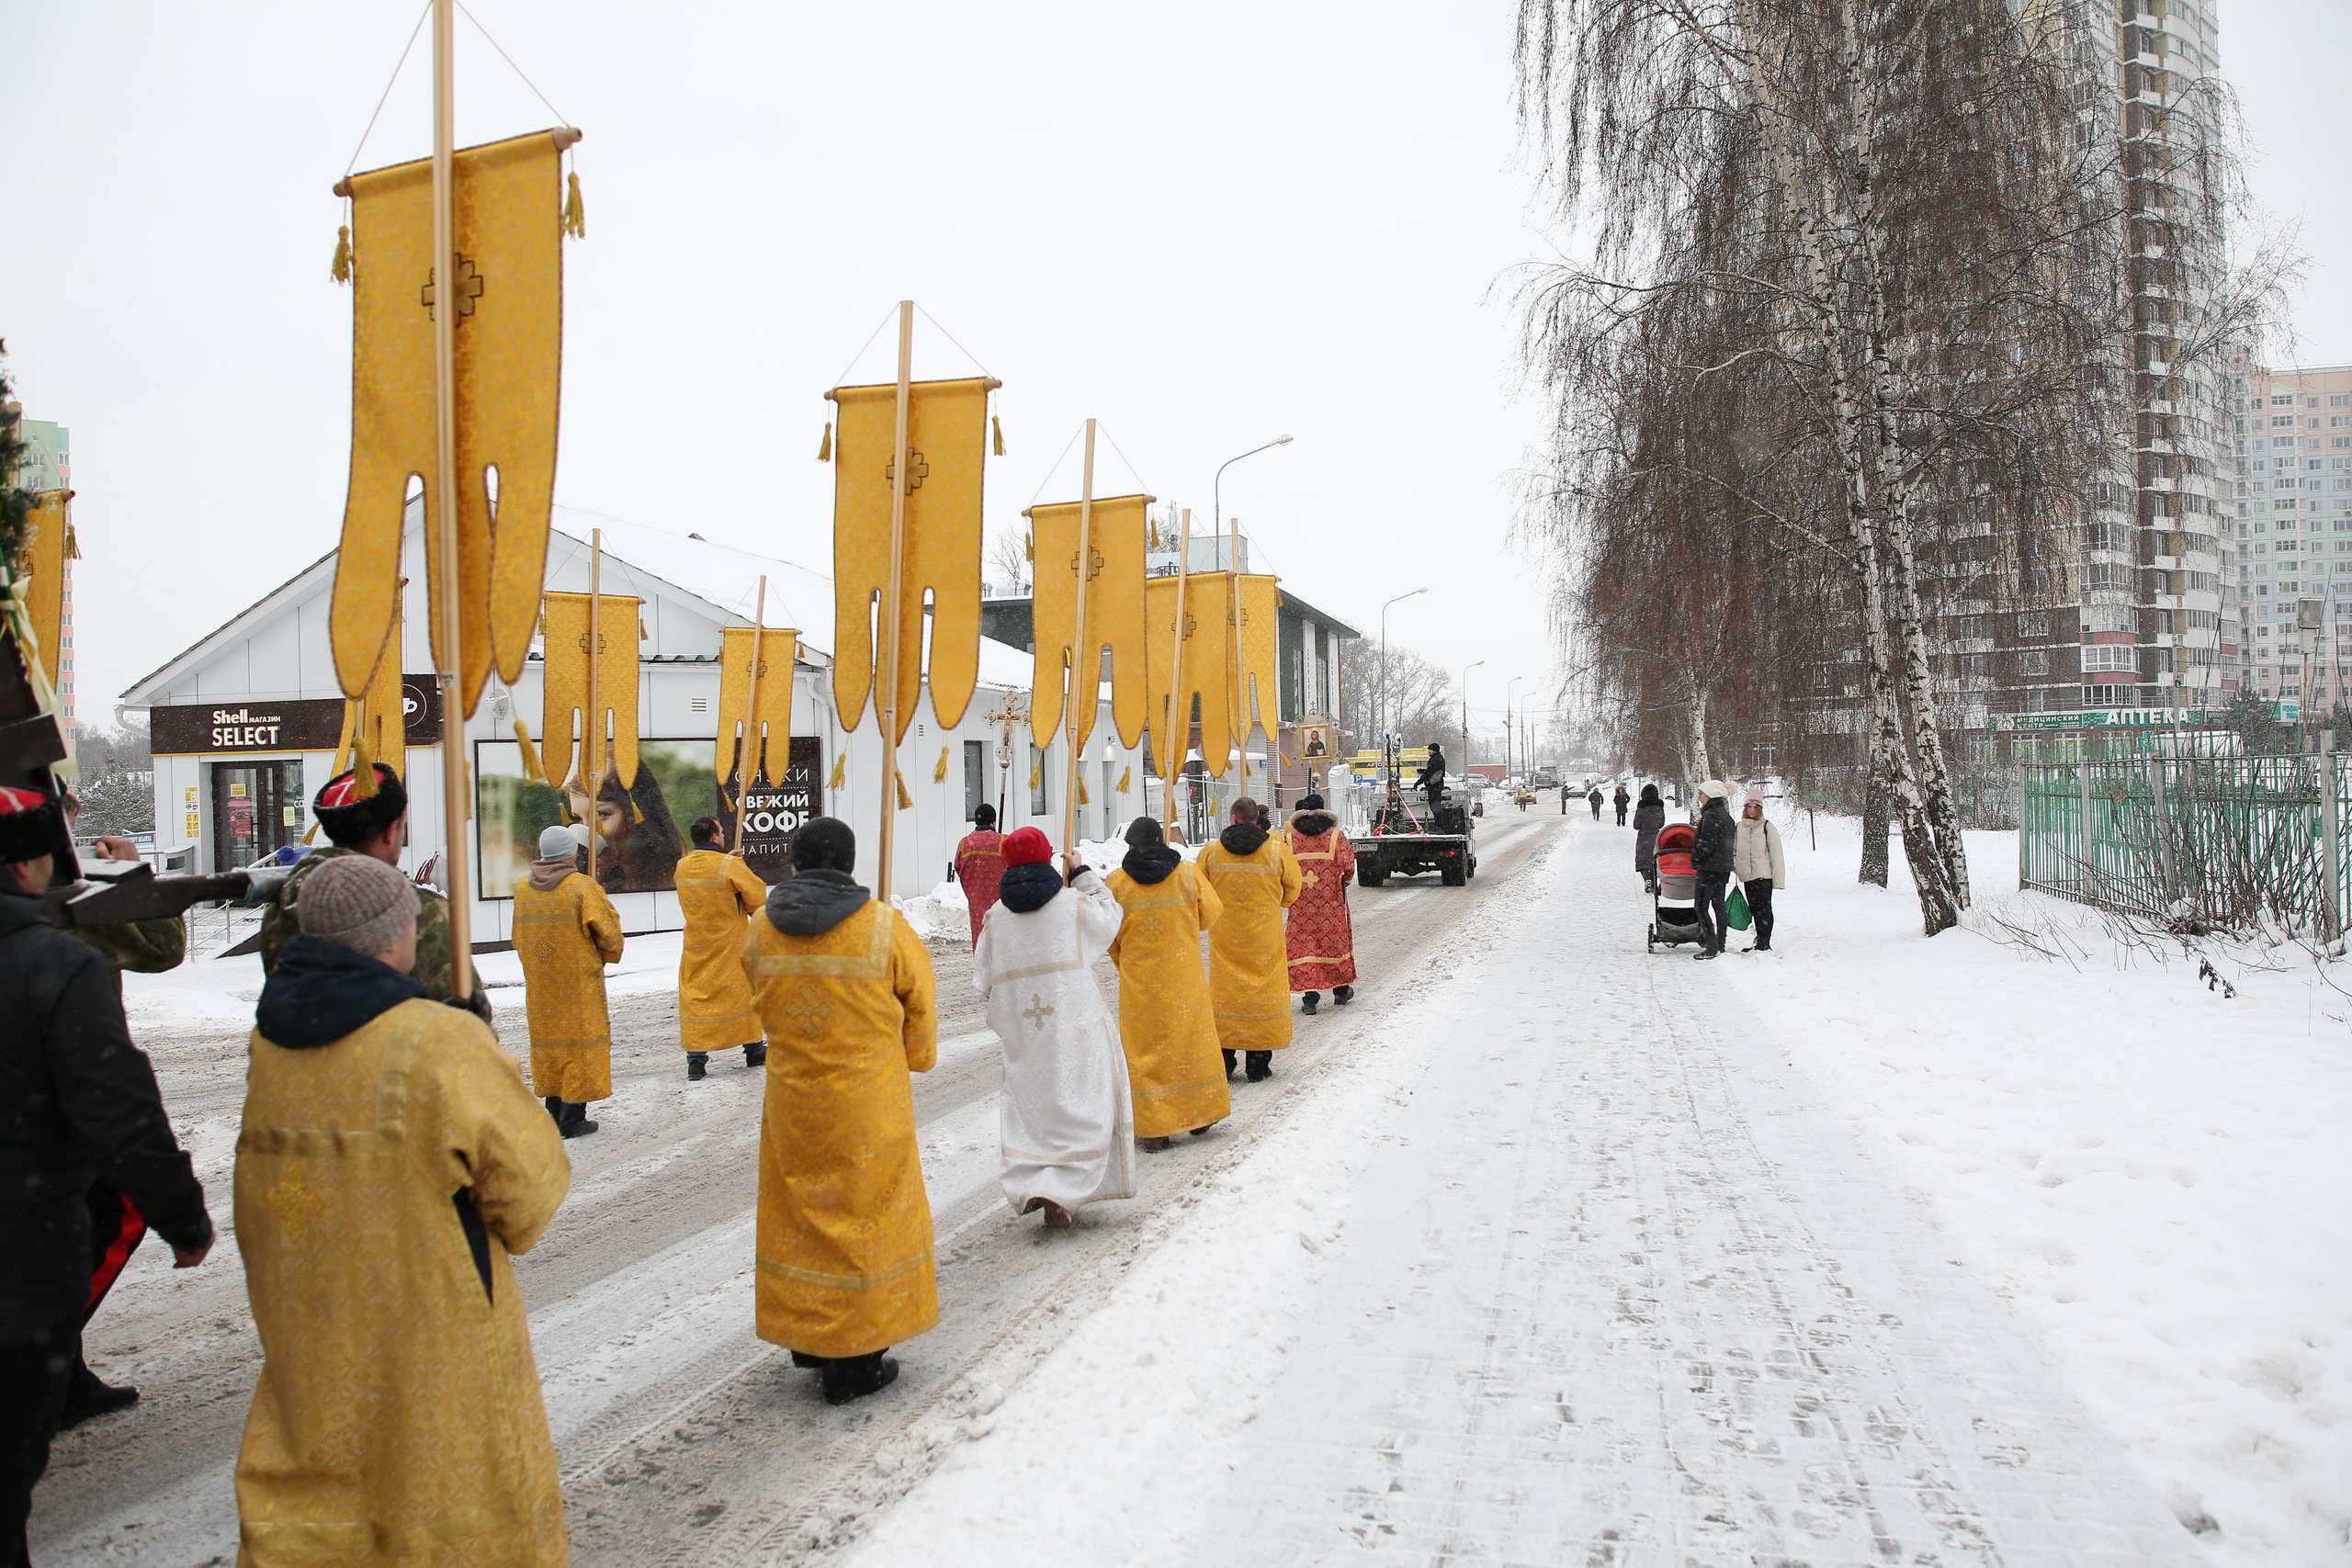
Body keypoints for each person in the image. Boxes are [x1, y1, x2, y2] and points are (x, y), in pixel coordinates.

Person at [234, 853, 571, 1565]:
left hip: (315, 1333)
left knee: (339, 1502)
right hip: (431, 1335)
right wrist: (474, 1045)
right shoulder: (436, 1039)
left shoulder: (270, 1042)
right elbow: (531, 1192)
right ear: (398, 934)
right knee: (443, 1497)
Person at [2, 784, 215, 1565]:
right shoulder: (53, 931)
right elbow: (160, 953)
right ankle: (58, 1364)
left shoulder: (70, 895)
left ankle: (68, 1365)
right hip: (48, 1156)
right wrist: (184, 1218)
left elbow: (157, 951)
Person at [745, 818, 937, 1405]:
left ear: (795, 865)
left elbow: (755, 987)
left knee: (802, 1218)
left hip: (793, 1102)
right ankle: (855, 1357)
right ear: (851, 864)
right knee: (867, 1218)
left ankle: (810, 1333)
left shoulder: (760, 928)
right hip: (867, 1103)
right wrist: (917, 1055)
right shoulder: (883, 927)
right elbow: (920, 1001)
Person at [55, 793, 189, 1430]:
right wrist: (131, 874)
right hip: (74, 1088)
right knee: (105, 1217)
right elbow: (164, 946)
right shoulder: (73, 895)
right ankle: (46, 1358)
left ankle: (62, 1365)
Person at [973, 827, 1134, 1225]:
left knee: (1034, 1108)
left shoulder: (995, 918)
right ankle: (1067, 1186)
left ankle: (1038, 1180)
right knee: (1082, 1099)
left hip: (1025, 1036)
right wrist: (1081, 875)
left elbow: (983, 979)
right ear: (1049, 859)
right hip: (1074, 1024)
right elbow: (1109, 916)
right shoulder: (1071, 904)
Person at [260, 763, 482, 1012]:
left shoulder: (281, 907)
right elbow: (466, 1023)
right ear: (391, 832)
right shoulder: (418, 909)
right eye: (402, 825)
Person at [1105, 818, 1229, 1152]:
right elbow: (1211, 915)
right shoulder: (1187, 875)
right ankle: (1200, 1113)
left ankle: (1154, 1128)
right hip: (1183, 977)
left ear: (1131, 845)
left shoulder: (1117, 883)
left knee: (1146, 1053)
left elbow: (1108, 935)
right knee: (1190, 1044)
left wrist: (1127, 962)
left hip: (1139, 984)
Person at [514, 824, 624, 1137]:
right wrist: (603, 956)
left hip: (541, 985)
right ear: (573, 853)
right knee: (579, 1046)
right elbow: (611, 936)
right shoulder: (582, 888)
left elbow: (518, 937)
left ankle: (553, 1110)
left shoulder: (523, 888)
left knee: (551, 1045)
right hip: (578, 983)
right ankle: (573, 1117)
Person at [1196, 796, 1302, 1083]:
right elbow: (1293, 888)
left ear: (1232, 819)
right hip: (1264, 936)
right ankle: (1258, 1063)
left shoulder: (1212, 852)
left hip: (1225, 936)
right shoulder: (1276, 850)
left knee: (1225, 994)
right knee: (1262, 995)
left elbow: (1199, 890)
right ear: (1258, 819)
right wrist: (1275, 903)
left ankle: (1225, 1060)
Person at [674, 816, 769, 1081]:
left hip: (697, 943)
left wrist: (729, 863)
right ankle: (753, 1049)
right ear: (715, 837)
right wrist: (736, 867)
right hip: (730, 943)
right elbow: (757, 896)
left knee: (697, 996)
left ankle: (696, 1060)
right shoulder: (729, 865)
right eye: (722, 831)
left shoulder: (682, 866)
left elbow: (707, 881)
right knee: (741, 992)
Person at [1283, 794, 1356, 1017]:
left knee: (1305, 948)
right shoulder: (1335, 836)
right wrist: (1340, 882)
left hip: (1300, 906)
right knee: (1333, 945)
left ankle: (1310, 998)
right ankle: (1341, 991)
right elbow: (1348, 868)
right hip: (1330, 905)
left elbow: (1283, 870)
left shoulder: (1291, 839)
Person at [566, 766, 689, 897]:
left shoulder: (682, 882)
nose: (586, 830)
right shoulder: (589, 884)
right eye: (577, 818)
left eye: (601, 814)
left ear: (639, 813)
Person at [1734, 793, 1787, 953]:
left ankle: (1765, 942)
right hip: (1747, 877)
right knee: (1754, 909)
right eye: (1749, 807)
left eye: (1755, 807)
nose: (1752, 810)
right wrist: (1737, 867)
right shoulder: (1739, 827)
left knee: (1764, 909)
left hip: (1764, 876)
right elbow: (1734, 851)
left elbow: (1776, 855)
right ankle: (1759, 941)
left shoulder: (1767, 827)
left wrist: (1778, 880)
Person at [1690, 780, 1736, 960]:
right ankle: (1721, 942)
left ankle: (1711, 945)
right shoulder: (1725, 815)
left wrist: (1695, 857)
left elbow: (1706, 844)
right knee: (1719, 905)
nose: (1699, 797)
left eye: (1701, 793)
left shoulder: (1711, 816)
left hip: (1709, 868)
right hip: (1722, 868)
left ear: (1710, 795)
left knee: (1701, 906)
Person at [952, 803, 1006, 946]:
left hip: (976, 903)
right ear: (993, 822)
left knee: (980, 939)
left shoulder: (965, 844)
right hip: (1001, 903)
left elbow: (958, 867)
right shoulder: (1003, 842)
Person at [1633, 784, 1666, 893]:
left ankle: (1647, 879)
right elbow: (1661, 824)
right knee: (1656, 860)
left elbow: (1636, 825)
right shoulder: (1660, 808)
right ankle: (1655, 883)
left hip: (1643, 837)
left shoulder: (1641, 808)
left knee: (1643, 860)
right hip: (1657, 837)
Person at [1414, 744, 1447, 821]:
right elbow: (1433, 771)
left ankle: (1439, 825)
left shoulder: (1435, 759)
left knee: (1434, 806)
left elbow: (1429, 772)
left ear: (1434, 750)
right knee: (1436, 805)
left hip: (1434, 786)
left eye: (1430, 750)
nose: (1429, 751)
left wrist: (1418, 782)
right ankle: (1440, 824)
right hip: (1437, 785)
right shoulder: (1439, 758)